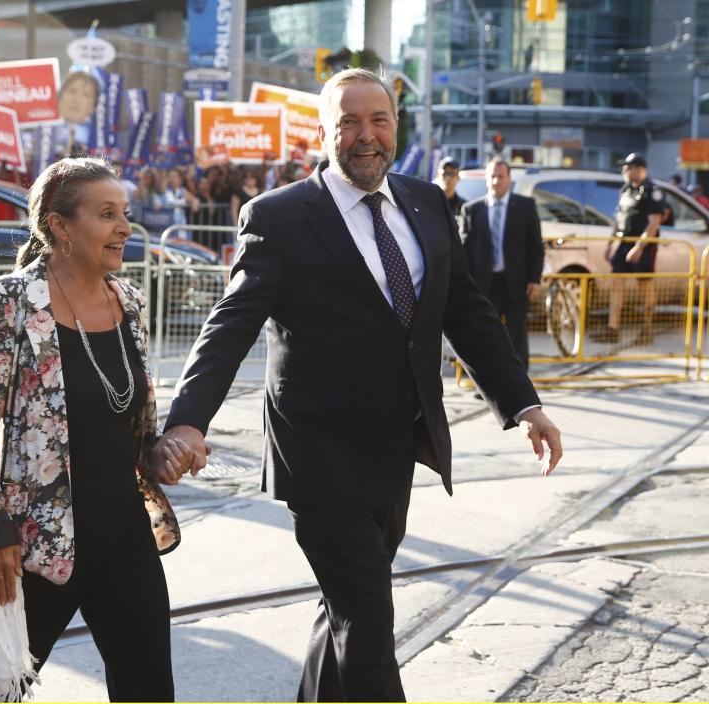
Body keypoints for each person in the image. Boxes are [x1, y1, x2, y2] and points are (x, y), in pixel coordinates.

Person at [154, 68, 562, 702]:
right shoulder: (280, 217)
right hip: (317, 455)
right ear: (322, 132)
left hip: (396, 448)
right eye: (348, 122)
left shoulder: (427, 203)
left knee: (346, 609)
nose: (364, 136)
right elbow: (230, 324)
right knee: (368, 622)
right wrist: (187, 419)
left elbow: (467, 311)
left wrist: (523, 403)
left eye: (379, 120)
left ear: (397, 127)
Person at [0, 157, 189, 700]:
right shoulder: (8, 301)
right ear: (61, 226)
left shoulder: (128, 301)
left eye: (124, 213)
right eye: (106, 214)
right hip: (35, 542)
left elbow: (126, 415)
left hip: (125, 533)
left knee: (150, 687)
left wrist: (163, 449)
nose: (124, 227)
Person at [460, 156, 544, 367]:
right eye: (492, 177)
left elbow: (535, 245)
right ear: (486, 179)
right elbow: (465, 251)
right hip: (484, 285)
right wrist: (467, 285)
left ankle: (521, 388)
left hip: (516, 282)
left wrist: (534, 278)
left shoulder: (525, 206)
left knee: (517, 335)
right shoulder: (472, 210)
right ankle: (488, 386)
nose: (497, 181)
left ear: (509, 178)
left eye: (501, 176)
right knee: (486, 337)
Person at [593, 152, 662, 345]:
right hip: (624, 243)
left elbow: (654, 222)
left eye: (628, 167)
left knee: (645, 287)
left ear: (639, 169)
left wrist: (639, 247)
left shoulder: (652, 190)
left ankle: (647, 330)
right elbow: (619, 220)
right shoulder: (625, 189)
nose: (624, 170)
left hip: (644, 246)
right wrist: (610, 243)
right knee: (617, 285)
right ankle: (612, 329)